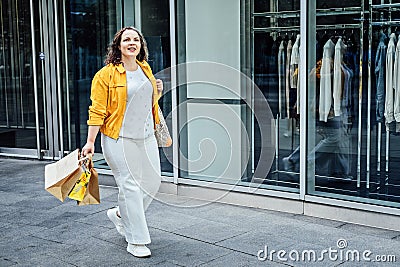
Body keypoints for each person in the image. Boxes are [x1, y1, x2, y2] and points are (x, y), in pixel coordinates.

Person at [81, 26, 163, 258]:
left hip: (145, 136)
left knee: (153, 181)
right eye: (126, 39)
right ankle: (135, 240)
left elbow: (146, 101)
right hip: (119, 138)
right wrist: (90, 143)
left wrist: (158, 90)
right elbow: (97, 110)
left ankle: (120, 215)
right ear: (118, 45)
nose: (132, 43)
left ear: (140, 45)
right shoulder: (105, 75)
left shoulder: (145, 68)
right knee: (130, 186)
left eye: (136, 39)